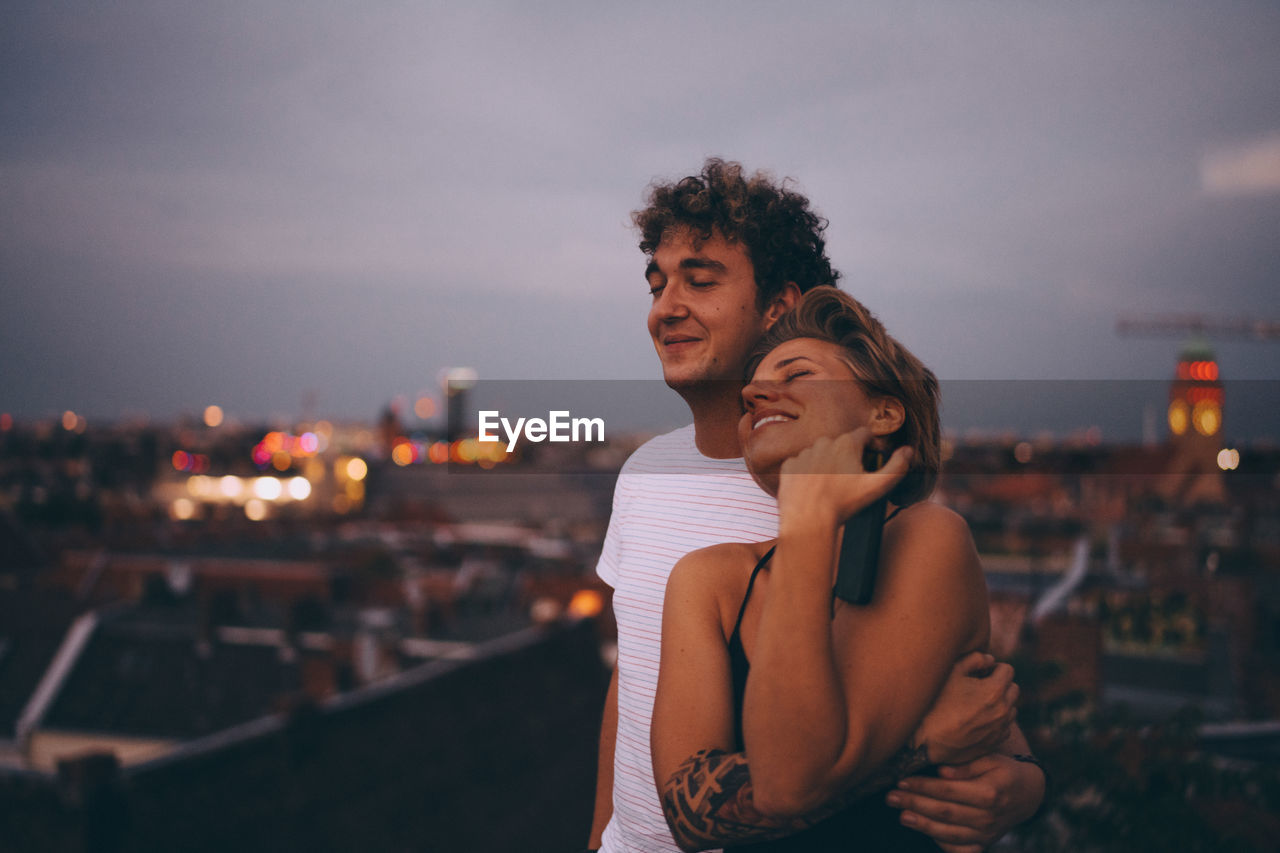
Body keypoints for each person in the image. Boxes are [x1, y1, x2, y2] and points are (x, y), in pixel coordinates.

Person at [590, 159, 1045, 853]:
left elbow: (981, 716)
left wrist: (1021, 779)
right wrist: (600, 836)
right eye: (657, 284)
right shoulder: (642, 475)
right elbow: (631, 681)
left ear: (778, 305)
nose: (665, 305)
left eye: (700, 280)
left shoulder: (880, 526)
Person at [653, 285, 999, 851]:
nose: (757, 393)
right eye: (751, 393)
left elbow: (786, 786)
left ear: (884, 412)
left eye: (797, 374)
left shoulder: (927, 538)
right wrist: (921, 747)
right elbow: (689, 817)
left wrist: (809, 522)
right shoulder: (707, 579)